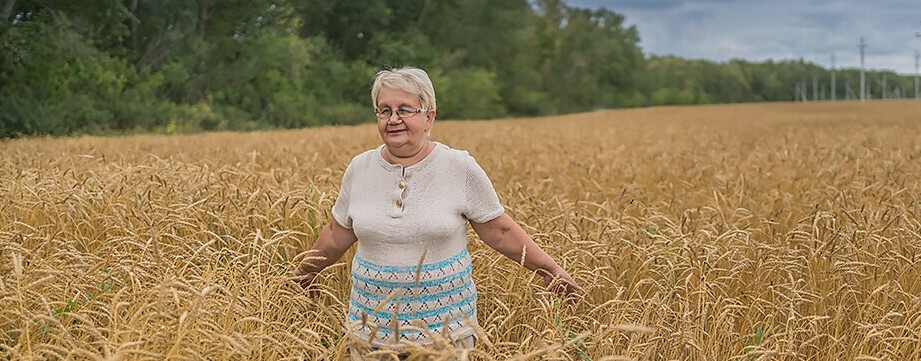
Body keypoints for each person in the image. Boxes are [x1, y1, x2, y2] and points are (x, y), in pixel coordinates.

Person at [292, 66, 580, 359]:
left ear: (429, 116)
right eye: (384, 110)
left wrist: (551, 271)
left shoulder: (459, 167)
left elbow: (500, 230)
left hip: (444, 339)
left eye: (404, 109)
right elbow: (337, 232)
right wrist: (304, 273)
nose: (393, 119)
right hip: (369, 336)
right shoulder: (359, 168)